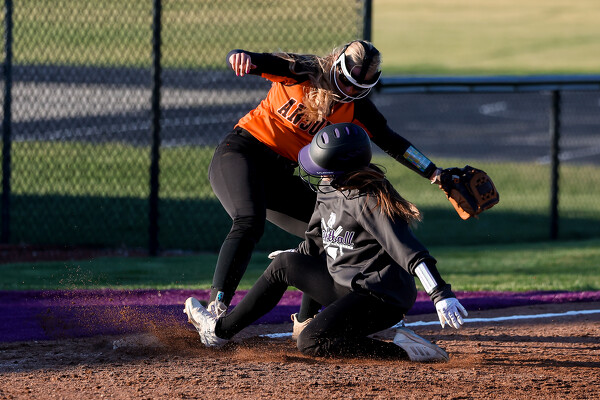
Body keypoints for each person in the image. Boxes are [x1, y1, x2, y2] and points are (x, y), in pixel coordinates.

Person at [207, 39, 444, 325]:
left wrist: (434, 172)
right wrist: (238, 56)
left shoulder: (357, 108)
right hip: (242, 152)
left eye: (360, 88)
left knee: (329, 229)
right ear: (337, 67)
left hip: (280, 174)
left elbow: (394, 143)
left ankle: (305, 320)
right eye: (347, 83)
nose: (351, 92)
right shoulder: (301, 71)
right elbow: (252, 59)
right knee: (249, 220)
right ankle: (215, 308)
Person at [187, 123, 467, 361]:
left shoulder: (367, 199)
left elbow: (409, 251)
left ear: (341, 168)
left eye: (323, 166)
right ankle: (219, 332)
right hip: (346, 284)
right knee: (284, 263)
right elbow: (315, 240)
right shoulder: (328, 186)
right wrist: (296, 257)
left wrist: (440, 294)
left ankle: (404, 351)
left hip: (381, 297)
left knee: (311, 342)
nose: (316, 170)